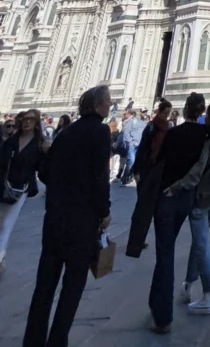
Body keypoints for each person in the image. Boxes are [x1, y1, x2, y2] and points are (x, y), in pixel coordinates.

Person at [22, 85, 111, 347]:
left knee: (44, 287)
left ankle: (33, 341)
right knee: (72, 287)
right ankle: (57, 341)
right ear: (96, 106)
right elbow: (100, 177)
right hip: (81, 225)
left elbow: (45, 173)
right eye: (107, 101)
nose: (110, 105)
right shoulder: (100, 131)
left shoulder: (66, 132)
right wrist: (104, 211)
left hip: (54, 221)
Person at [147, 93, 208, 334]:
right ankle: (155, 303)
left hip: (167, 197)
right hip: (187, 199)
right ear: (201, 111)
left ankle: (162, 316)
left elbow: (158, 162)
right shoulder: (204, 136)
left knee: (165, 254)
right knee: (166, 248)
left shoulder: (174, 134)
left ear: (184, 111)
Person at [171, 102, 210, 316]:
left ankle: (209, 294)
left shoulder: (209, 141)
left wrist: (176, 187)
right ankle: (189, 283)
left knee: (201, 243)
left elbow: (196, 173)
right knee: (200, 241)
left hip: (203, 198)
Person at [0, 108, 48, 274]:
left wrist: (48, 153)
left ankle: (0, 256)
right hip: (2, 184)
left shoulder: (39, 144)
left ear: (36, 123)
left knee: (7, 223)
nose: (27, 122)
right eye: (25, 119)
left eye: (31, 119)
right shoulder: (12, 140)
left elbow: (44, 170)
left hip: (20, 188)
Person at [120, 109, 147, 186]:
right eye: (143, 112)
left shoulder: (145, 123)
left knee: (135, 162)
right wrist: (130, 142)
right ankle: (124, 178)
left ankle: (129, 176)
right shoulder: (133, 121)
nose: (144, 114)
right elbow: (126, 132)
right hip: (133, 144)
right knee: (131, 161)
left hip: (140, 145)